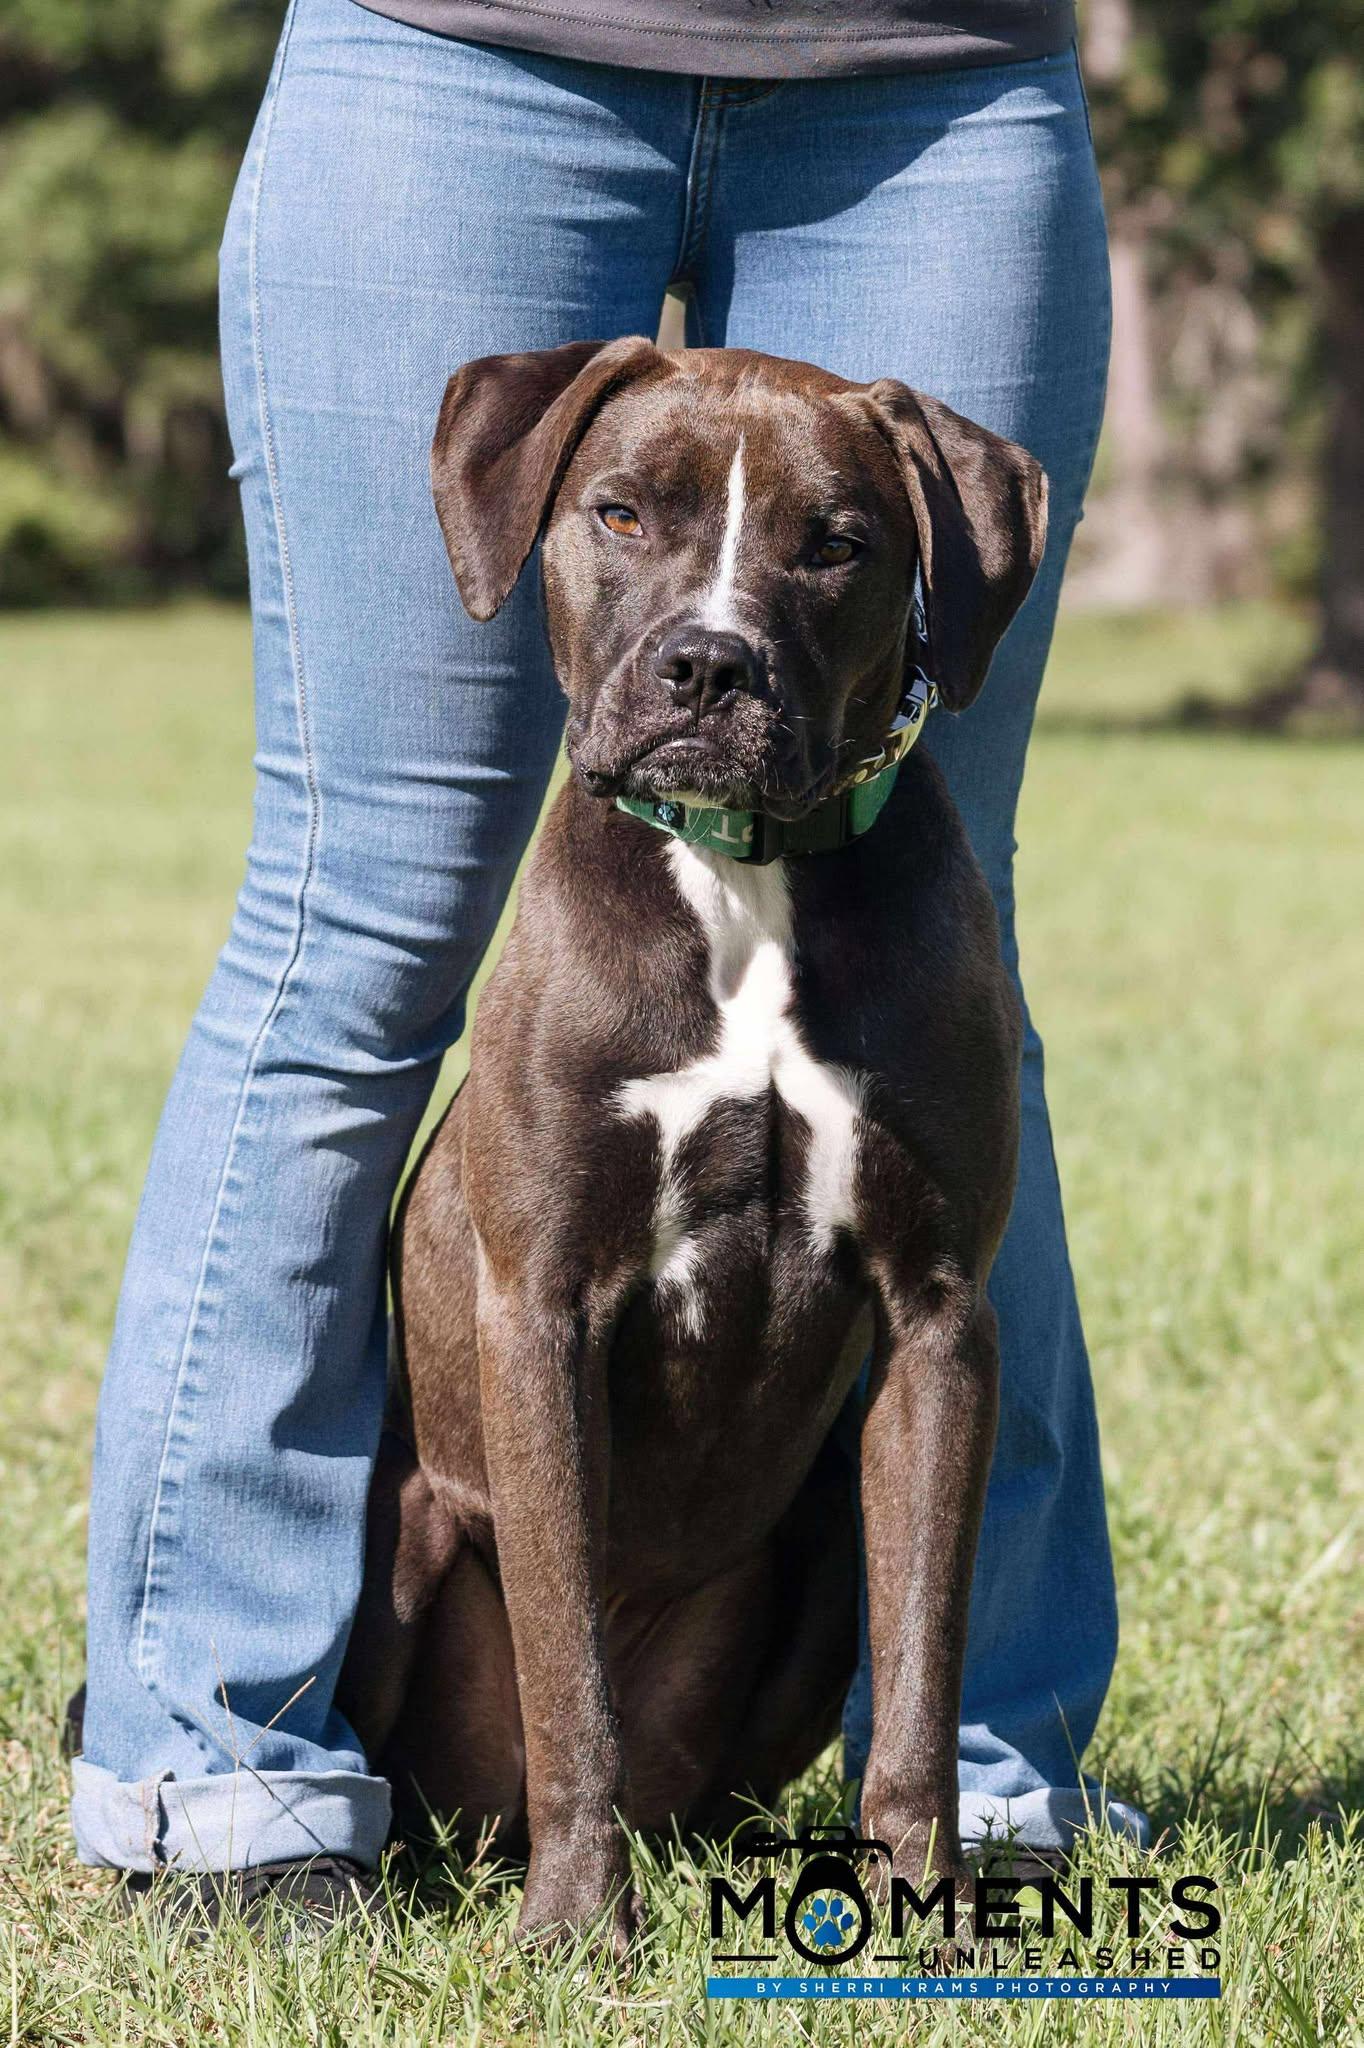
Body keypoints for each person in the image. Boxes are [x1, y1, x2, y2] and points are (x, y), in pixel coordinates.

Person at [71, 0, 1146, 1919]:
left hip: (935, 67)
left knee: (950, 962)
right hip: (459, 42)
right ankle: (219, 1766)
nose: (710, 630)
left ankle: (975, 1787)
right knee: (355, 925)